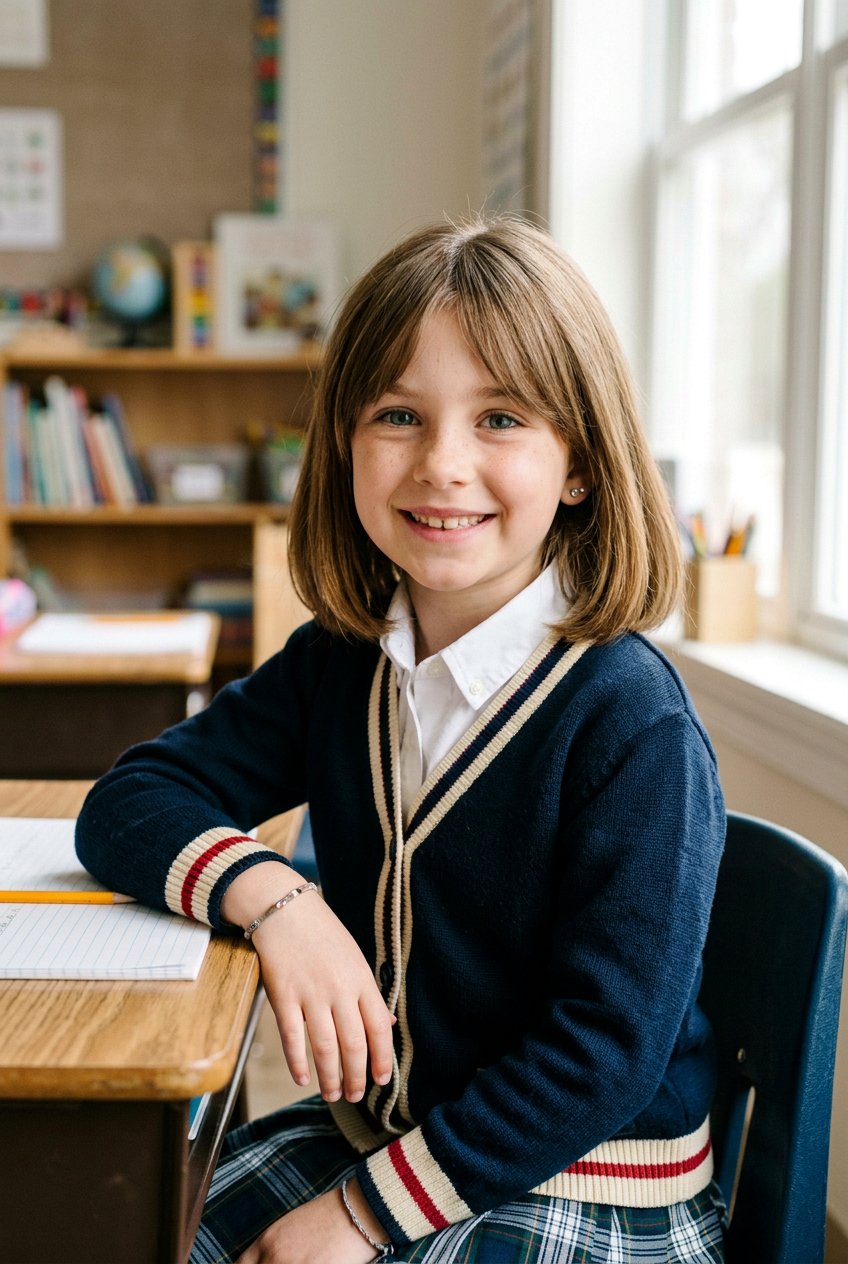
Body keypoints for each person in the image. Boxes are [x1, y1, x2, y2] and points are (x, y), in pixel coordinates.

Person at [76, 215, 727, 1264]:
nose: (442, 464)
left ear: (578, 465)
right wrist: (278, 899)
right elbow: (129, 800)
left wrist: (355, 1219)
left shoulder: (627, 720)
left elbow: (599, 1055)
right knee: (119, 1221)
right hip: (380, 1137)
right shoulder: (342, 661)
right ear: (343, 444)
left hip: (584, 1177)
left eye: (501, 417)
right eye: (397, 414)